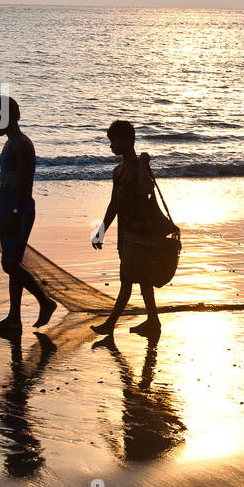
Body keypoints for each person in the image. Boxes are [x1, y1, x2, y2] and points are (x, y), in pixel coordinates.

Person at [0, 95, 56, 334]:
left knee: (10, 264)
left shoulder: (22, 144)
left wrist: (13, 212)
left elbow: (25, 185)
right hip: (10, 208)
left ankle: (45, 302)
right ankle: (14, 319)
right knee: (14, 263)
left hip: (19, 209)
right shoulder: (10, 143)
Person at [91, 120, 162, 337]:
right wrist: (101, 230)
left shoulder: (139, 167)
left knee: (127, 280)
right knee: (143, 279)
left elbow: (146, 189)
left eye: (114, 141)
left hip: (141, 234)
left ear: (127, 141)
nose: (111, 145)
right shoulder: (118, 170)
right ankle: (153, 321)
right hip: (126, 235)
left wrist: (143, 165)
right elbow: (114, 204)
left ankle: (110, 324)